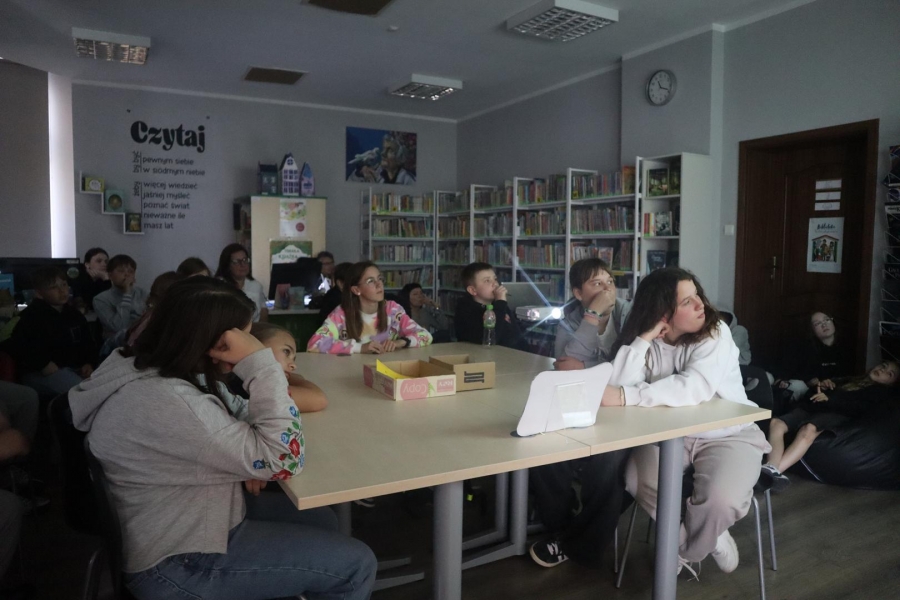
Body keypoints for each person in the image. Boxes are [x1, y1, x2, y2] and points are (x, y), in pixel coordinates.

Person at [68, 277, 376, 599]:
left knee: (322, 519)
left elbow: (240, 410)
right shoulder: (171, 401)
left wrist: (253, 457)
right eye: (241, 339)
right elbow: (285, 458)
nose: (246, 348)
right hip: (180, 562)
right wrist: (262, 365)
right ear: (213, 343)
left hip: (191, 518)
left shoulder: (148, 366)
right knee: (357, 565)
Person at [601, 267, 770, 576]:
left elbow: (694, 387)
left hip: (728, 433)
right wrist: (644, 338)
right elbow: (615, 384)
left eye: (697, 296)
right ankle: (710, 534)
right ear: (662, 312)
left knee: (721, 501)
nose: (700, 304)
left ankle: (687, 549)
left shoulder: (716, 332)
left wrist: (628, 396)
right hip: (667, 435)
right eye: (687, 301)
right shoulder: (652, 340)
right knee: (636, 480)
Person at [761, 361, 900, 491]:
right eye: (883, 365)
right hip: (813, 408)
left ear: (892, 382)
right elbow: (811, 396)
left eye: (889, 373)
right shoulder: (849, 379)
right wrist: (821, 387)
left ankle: (769, 475)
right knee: (776, 423)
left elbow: (857, 408)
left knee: (808, 429)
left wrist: (830, 399)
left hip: (834, 414)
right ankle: (772, 467)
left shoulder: (880, 392)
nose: (883, 370)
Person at [307, 262, 432, 354]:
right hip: (350, 372)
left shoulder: (392, 310)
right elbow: (314, 343)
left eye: (380, 279)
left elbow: (425, 335)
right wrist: (360, 348)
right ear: (356, 290)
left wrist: (400, 342)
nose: (379, 285)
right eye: (370, 281)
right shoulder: (341, 313)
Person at [11, 267, 98, 396]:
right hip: (43, 372)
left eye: (64, 284)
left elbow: (88, 343)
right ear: (39, 293)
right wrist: (44, 365)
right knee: (86, 394)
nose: (62, 290)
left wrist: (89, 363)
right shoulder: (29, 317)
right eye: (53, 287)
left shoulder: (74, 314)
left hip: (76, 368)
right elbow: (22, 348)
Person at [553, 258, 630, 371]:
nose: (608, 289)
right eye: (597, 284)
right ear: (579, 293)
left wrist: (584, 366)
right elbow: (564, 367)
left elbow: (635, 364)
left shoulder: (629, 313)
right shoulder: (568, 324)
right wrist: (593, 314)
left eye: (610, 282)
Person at [249, 323, 328, 413]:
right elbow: (318, 399)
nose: (294, 366)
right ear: (255, 346)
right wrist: (295, 379)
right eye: (286, 352)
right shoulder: (260, 389)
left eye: (294, 359)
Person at [775, 311, 853, 401]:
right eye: (817, 323)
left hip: (838, 391)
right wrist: (813, 381)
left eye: (827, 320)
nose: (824, 325)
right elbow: (798, 372)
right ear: (812, 329)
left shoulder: (846, 346)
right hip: (813, 391)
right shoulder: (806, 348)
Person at [454, 262, 527, 350]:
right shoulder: (465, 310)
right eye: (487, 281)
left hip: (513, 355)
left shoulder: (499, 305)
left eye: (495, 279)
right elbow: (490, 339)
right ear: (473, 290)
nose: (495, 284)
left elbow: (517, 336)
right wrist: (500, 302)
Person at [92, 255, 148, 338]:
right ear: (110, 275)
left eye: (131, 271)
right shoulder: (100, 299)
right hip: (116, 342)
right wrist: (127, 293)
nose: (127, 274)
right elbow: (120, 327)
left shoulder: (142, 293)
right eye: (121, 271)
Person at [215, 243, 268, 323]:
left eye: (245, 260)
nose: (242, 265)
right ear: (227, 265)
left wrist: (259, 328)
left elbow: (263, 310)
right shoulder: (219, 285)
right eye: (237, 262)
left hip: (254, 328)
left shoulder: (255, 285)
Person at [71, 247, 111, 313]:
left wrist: (106, 279)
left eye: (106, 262)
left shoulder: (107, 278)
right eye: (99, 261)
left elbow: (109, 304)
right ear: (87, 265)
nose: (104, 264)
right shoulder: (78, 279)